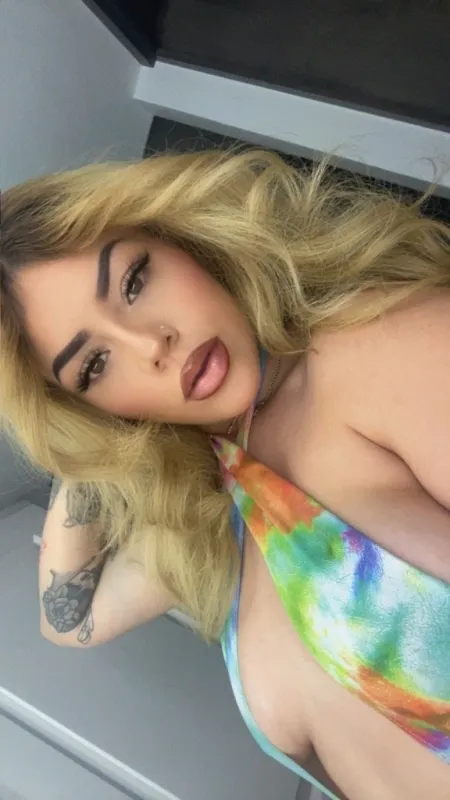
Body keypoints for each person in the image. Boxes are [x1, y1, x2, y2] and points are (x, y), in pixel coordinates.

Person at [1, 147, 450, 800]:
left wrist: (96, 398)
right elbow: (68, 620)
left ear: (185, 240)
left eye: (133, 281)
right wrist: (95, 447)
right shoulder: (220, 505)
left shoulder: (376, 345)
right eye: (95, 364)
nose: (150, 345)